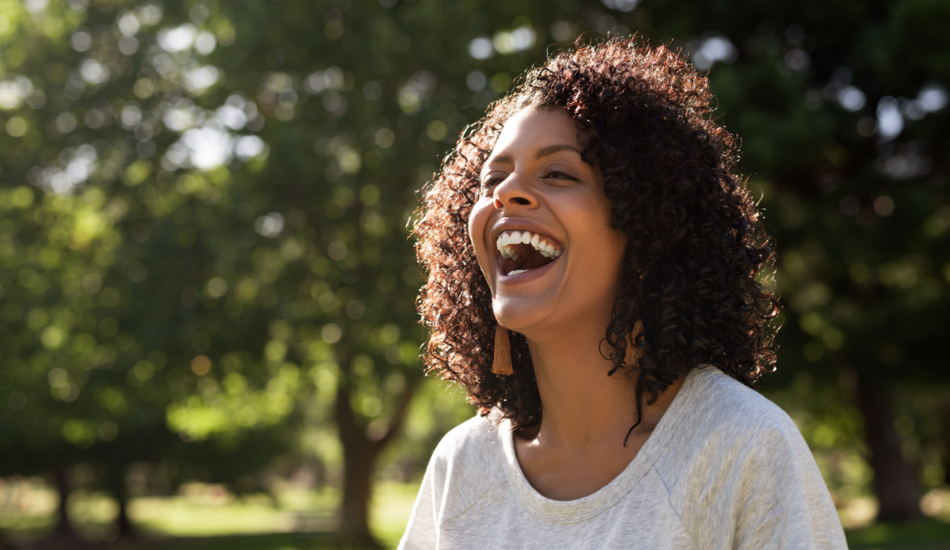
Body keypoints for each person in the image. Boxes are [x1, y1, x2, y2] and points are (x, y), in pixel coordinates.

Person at [402, 37, 848, 549]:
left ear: (646, 225)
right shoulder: (462, 465)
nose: (504, 193)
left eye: (558, 173)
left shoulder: (742, 444)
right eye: (493, 179)